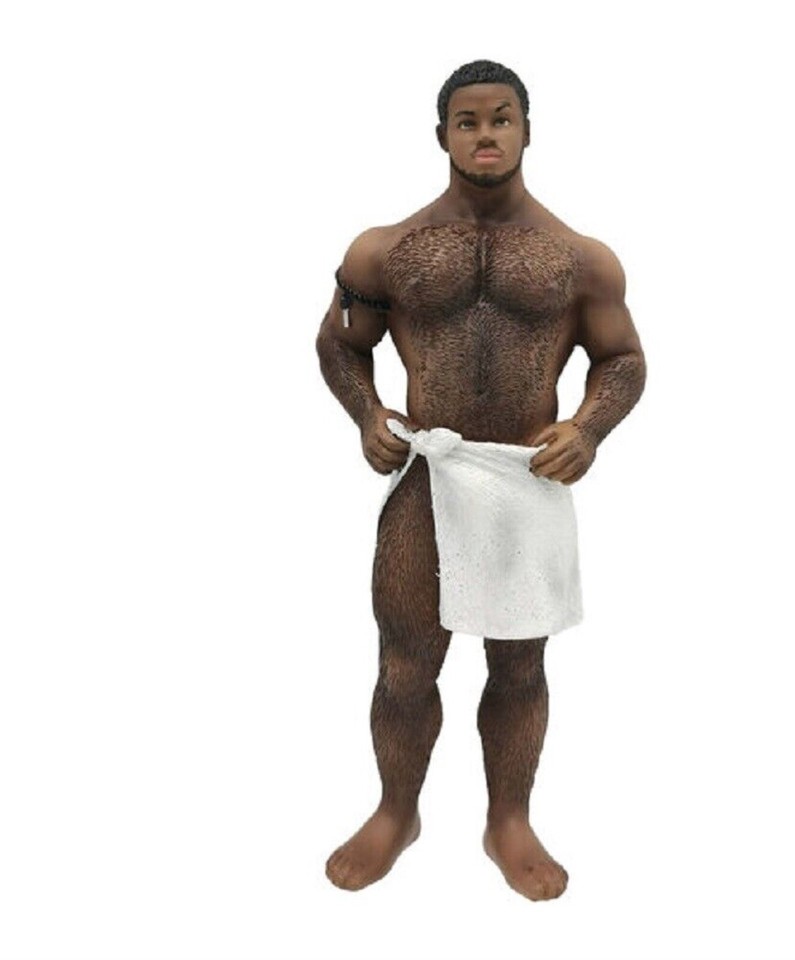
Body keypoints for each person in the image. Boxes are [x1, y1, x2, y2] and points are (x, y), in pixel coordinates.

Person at [315, 59, 646, 901]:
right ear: (442, 136)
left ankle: (509, 820)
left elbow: (622, 360)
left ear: (528, 131)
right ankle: (397, 811)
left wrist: (588, 428)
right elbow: (340, 344)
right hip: (429, 476)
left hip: (525, 482)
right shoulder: (385, 250)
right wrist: (366, 413)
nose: (486, 134)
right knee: (404, 665)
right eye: (468, 121)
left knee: (520, 666)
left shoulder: (580, 259)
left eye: (502, 118)